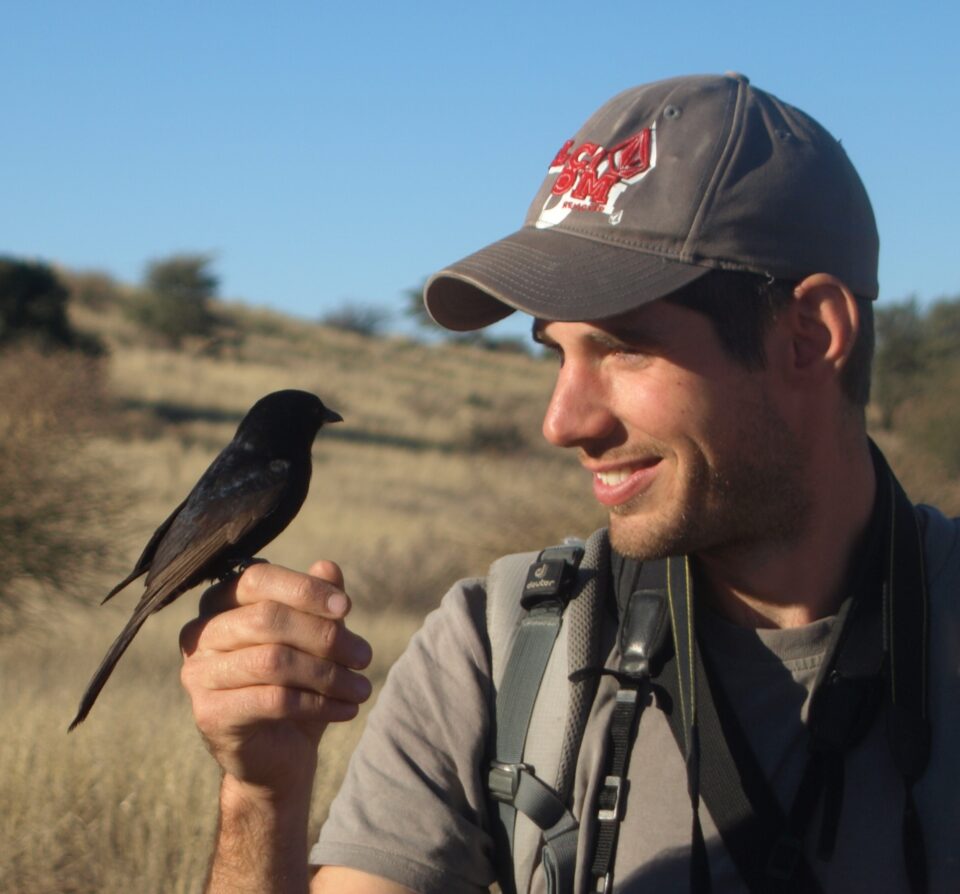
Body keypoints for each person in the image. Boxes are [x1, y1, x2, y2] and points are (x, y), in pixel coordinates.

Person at [179, 74, 960, 893]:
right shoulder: (499, 651)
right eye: (556, 352)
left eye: (624, 347)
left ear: (809, 336)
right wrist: (263, 797)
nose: (563, 422)